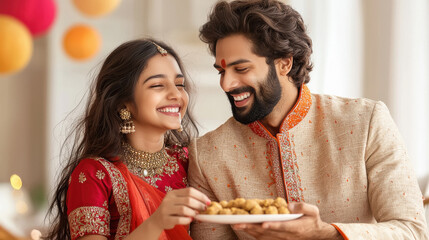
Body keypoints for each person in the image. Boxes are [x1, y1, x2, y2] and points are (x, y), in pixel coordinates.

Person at [188, 0, 429, 239]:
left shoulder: (365, 122)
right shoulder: (208, 154)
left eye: (241, 69)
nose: (226, 84)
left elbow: (412, 231)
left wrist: (326, 233)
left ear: (284, 62)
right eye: (221, 71)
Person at [46, 39, 211, 240]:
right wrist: (157, 222)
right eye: (158, 85)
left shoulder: (189, 162)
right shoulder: (94, 174)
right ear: (123, 102)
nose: (176, 94)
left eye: (179, 84)